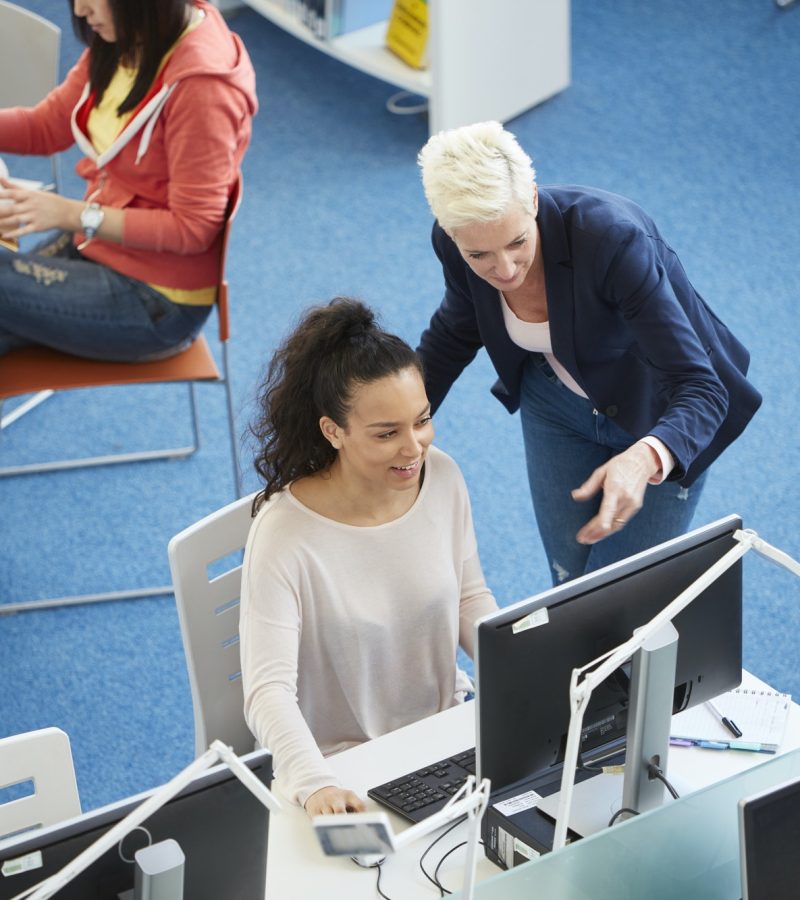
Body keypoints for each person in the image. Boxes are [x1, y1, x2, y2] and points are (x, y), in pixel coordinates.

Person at [416, 121, 761, 585]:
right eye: (480, 255)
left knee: (622, 596)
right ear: (450, 231)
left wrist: (645, 456)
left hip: (657, 410)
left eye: (517, 242)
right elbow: (454, 334)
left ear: (533, 199)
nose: (506, 269)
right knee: (568, 583)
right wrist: (395, 424)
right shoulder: (453, 243)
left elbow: (702, 387)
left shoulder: (611, 240)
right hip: (553, 406)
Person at [239, 297, 498, 816]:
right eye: (387, 434)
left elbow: (470, 600)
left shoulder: (443, 477)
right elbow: (267, 690)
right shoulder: (284, 534)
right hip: (345, 769)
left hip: (446, 740)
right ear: (333, 431)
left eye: (422, 421)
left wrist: (524, 667)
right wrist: (315, 783)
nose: (414, 448)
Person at [0, 0, 256, 361]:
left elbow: (194, 228)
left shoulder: (203, 88)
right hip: (101, 244)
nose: (80, 10)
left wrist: (69, 214)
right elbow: (45, 127)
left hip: (157, 299)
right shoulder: (133, 33)